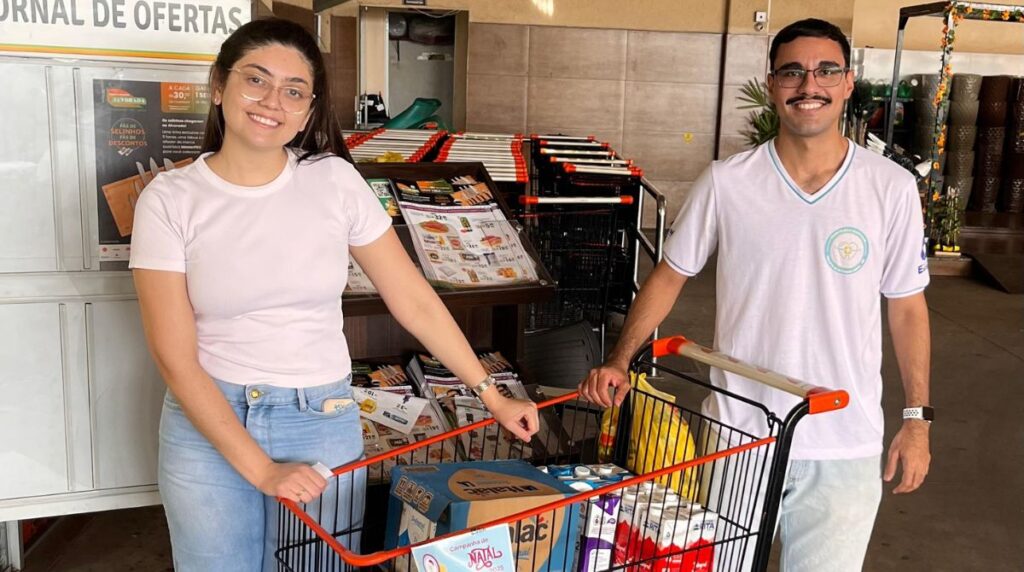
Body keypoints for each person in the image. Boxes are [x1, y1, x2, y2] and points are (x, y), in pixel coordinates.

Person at [130, 18, 539, 572]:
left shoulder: (334, 181)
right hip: (208, 422)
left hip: (318, 418)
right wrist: (262, 470)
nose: (272, 101)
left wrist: (491, 394)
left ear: (308, 110)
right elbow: (174, 357)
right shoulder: (169, 199)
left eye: (293, 90)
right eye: (256, 80)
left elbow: (414, 299)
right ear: (219, 86)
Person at [579, 18, 931, 571]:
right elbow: (670, 274)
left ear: (847, 82)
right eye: (792, 72)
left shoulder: (890, 188)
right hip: (741, 437)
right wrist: (621, 357)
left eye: (826, 71)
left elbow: (907, 306)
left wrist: (916, 419)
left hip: (844, 440)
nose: (809, 85)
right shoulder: (728, 181)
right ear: (771, 84)